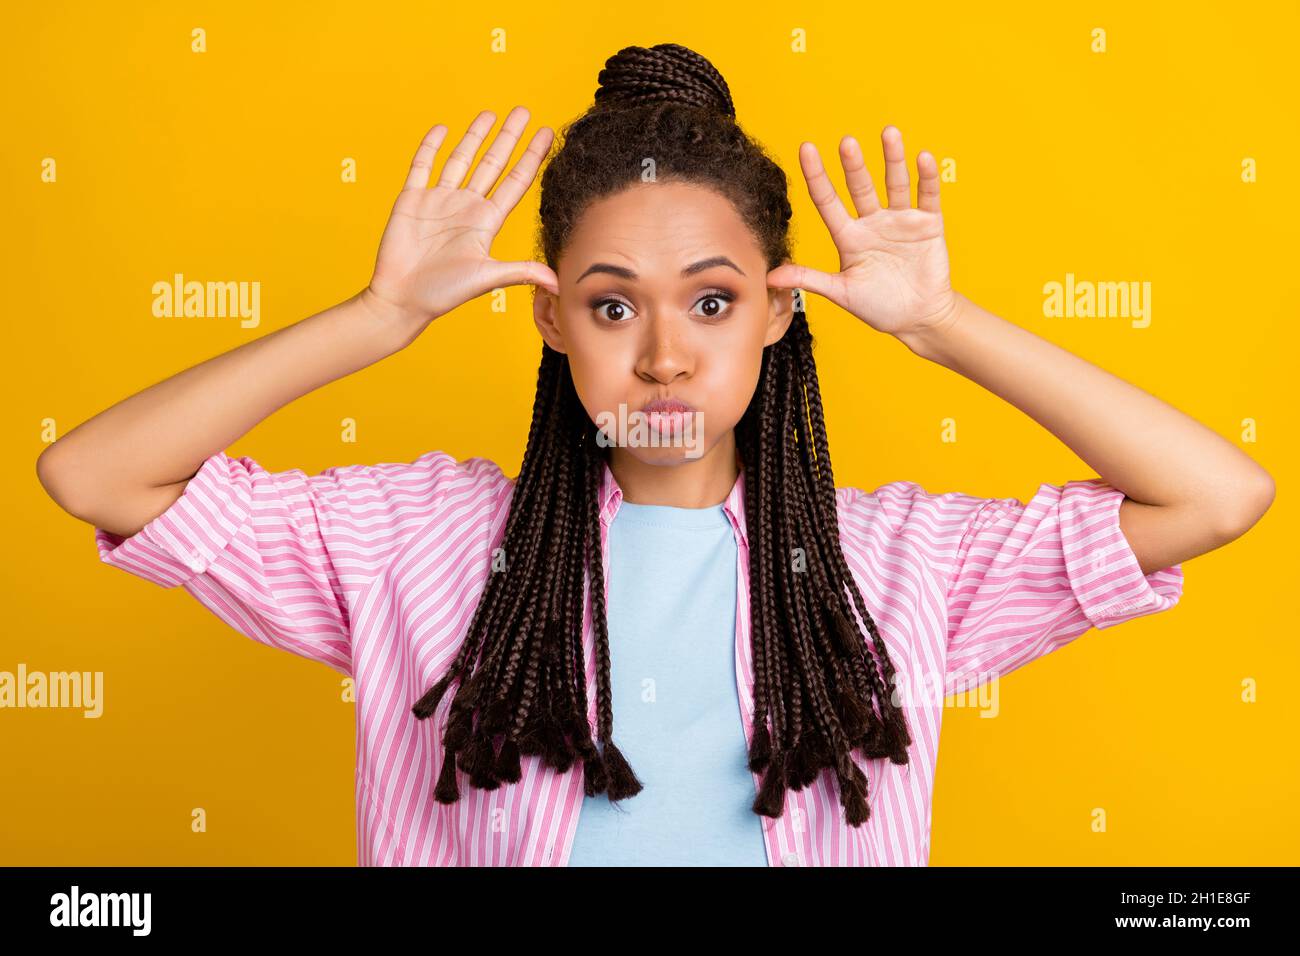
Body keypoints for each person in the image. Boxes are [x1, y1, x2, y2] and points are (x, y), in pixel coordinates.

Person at [36, 43, 1273, 867]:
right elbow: (95, 477)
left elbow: (1217, 494)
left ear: (783, 312)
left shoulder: (898, 563)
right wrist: (376, 319)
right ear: (550, 317)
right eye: (614, 304)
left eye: (715, 301)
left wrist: (944, 325)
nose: (665, 356)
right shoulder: (417, 540)